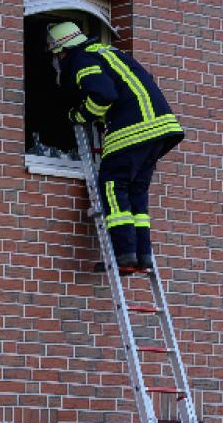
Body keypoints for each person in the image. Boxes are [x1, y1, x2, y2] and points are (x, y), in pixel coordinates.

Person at [46, 21, 184, 274]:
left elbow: (104, 95)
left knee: (111, 185)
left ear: (61, 51)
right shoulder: (109, 53)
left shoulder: (82, 61)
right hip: (161, 128)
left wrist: (80, 115)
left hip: (133, 130)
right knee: (136, 192)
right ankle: (143, 256)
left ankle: (124, 255)